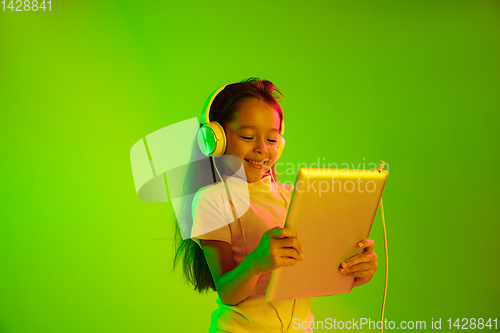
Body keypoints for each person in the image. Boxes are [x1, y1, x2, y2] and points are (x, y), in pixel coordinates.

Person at [172, 78, 379, 332]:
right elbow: (227, 292)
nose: (261, 149)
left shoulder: (294, 197)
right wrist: (256, 263)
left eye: (271, 140)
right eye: (248, 136)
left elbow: (309, 276)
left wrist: (354, 270)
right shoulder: (212, 199)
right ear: (216, 139)